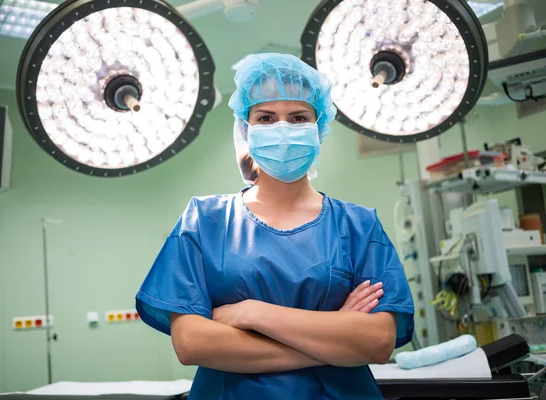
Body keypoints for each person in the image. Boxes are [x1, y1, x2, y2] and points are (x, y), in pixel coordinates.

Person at [136, 53, 414, 399]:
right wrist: (334, 342)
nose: (282, 129)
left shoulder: (358, 227)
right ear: (245, 129)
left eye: (298, 118)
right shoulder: (205, 221)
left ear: (319, 127)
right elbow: (192, 343)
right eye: (266, 118)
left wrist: (250, 313)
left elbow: (377, 341)